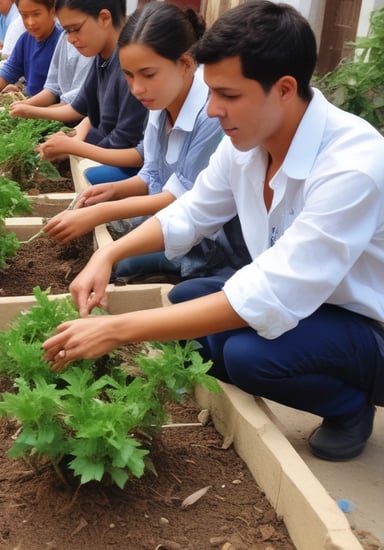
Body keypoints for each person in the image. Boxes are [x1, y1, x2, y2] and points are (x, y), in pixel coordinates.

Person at [42, 1, 384, 462]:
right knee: (187, 302)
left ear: (283, 89)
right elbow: (191, 213)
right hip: (304, 300)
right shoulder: (248, 141)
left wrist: (120, 329)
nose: (214, 109)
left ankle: (349, 406)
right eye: (211, 91)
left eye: (228, 95)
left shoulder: (353, 166)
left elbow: (275, 288)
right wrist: (105, 256)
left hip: (362, 324)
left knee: (247, 356)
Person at [43, 2, 249, 283]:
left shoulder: (213, 117)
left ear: (186, 64)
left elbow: (185, 199)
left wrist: (101, 213)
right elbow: (151, 172)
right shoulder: (160, 100)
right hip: (176, 222)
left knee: (128, 265)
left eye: (148, 74)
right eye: (128, 76)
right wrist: (114, 191)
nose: (137, 88)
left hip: (209, 241)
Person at [35, 0, 147, 185]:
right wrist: (74, 139)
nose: (70, 39)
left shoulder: (129, 67)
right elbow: (85, 111)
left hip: (128, 161)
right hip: (112, 149)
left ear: (104, 18)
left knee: (89, 174)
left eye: (75, 29)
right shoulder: (102, 57)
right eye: (67, 31)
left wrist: (76, 147)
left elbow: (126, 142)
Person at [7, 30, 91, 124]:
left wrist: (33, 112)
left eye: (37, 14)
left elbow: (80, 106)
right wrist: (25, 105)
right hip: (61, 113)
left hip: (70, 117)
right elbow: (53, 87)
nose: (70, 39)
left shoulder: (93, 49)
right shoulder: (64, 36)